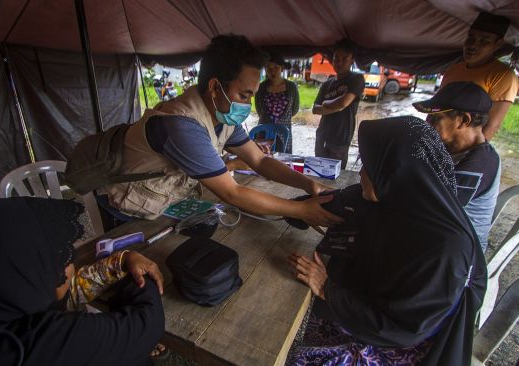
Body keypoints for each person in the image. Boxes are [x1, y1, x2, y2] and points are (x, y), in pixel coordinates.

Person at [288, 117, 486, 365]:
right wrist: (295, 210)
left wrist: (328, 288)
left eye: (368, 165)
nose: (360, 172)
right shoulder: (390, 196)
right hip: (365, 309)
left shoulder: (446, 247)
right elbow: (327, 204)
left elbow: (403, 329)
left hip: (396, 345)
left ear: (394, 169)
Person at [104, 34, 342, 227]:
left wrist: (307, 184)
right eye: (243, 95)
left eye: (252, 96)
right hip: (129, 214)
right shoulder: (180, 124)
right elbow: (233, 193)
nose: (247, 105)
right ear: (215, 87)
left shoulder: (222, 116)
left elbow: (259, 159)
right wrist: (300, 210)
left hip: (166, 203)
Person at [0, 197, 165, 365]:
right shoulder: (21, 349)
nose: (70, 268)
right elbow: (147, 322)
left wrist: (122, 262)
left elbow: (72, 290)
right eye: (62, 261)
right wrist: (140, 279)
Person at [414, 81, 501, 251]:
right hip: (441, 235)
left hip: (462, 255)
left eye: (435, 118)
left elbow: (431, 210)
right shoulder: (449, 149)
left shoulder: (480, 164)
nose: (428, 123)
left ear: (464, 120)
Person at [440, 12, 519, 140]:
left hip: (464, 144)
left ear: (498, 44)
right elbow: (438, 108)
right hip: (438, 138)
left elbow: (493, 125)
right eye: (470, 38)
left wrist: (470, 155)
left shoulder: (502, 75)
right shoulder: (453, 69)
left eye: (484, 41)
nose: (473, 45)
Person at [313, 39, 365, 169]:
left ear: (352, 59)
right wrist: (332, 106)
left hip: (340, 137)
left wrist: (325, 104)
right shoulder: (327, 83)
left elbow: (343, 103)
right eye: (336, 58)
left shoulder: (356, 79)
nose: (339, 62)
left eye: (344, 59)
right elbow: (315, 109)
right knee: (318, 171)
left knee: (336, 176)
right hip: (322, 135)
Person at [255, 52, 300, 153]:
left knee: (283, 159)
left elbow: (295, 109)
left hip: (284, 131)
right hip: (263, 131)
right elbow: (259, 110)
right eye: (268, 68)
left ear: (282, 68)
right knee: (262, 157)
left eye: (276, 67)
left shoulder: (291, 87)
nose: (272, 71)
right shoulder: (261, 87)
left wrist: (282, 119)